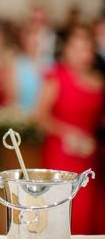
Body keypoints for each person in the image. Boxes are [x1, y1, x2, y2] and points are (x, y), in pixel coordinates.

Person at [36, 25, 104, 234]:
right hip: (61, 153)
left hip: (91, 155)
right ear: (66, 50)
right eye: (75, 49)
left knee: (90, 212)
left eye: (85, 49)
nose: (80, 55)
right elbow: (40, 116)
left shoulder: (100, 82)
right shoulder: (57, 76)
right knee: (65, 210)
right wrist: (68, 134)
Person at [5, 24, 45, 114]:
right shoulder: (15, 63)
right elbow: (10, 98)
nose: (35, 45)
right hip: (22, 117)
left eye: (37, 41)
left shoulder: (49, 64)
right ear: (24, 42)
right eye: (31, 41)